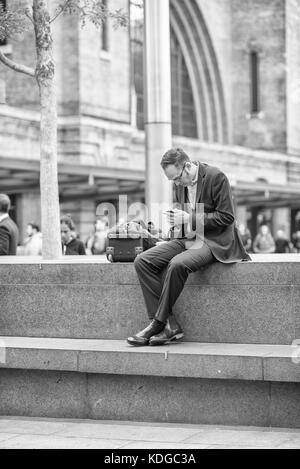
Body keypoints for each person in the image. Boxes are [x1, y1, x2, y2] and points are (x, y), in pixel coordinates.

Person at [127, 148, 251, 347]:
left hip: (215, 241)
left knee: (177, 264)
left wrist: (188, 218)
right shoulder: (180, 185)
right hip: (189, 238)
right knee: (143, 260)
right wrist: (171, 233)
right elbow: (186, 221)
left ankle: (157, 323)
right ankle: (169, 324)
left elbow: (227, 217)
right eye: (172, 181)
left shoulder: (216, 177)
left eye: (176, 178)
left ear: (186, 166)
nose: (176, 184)